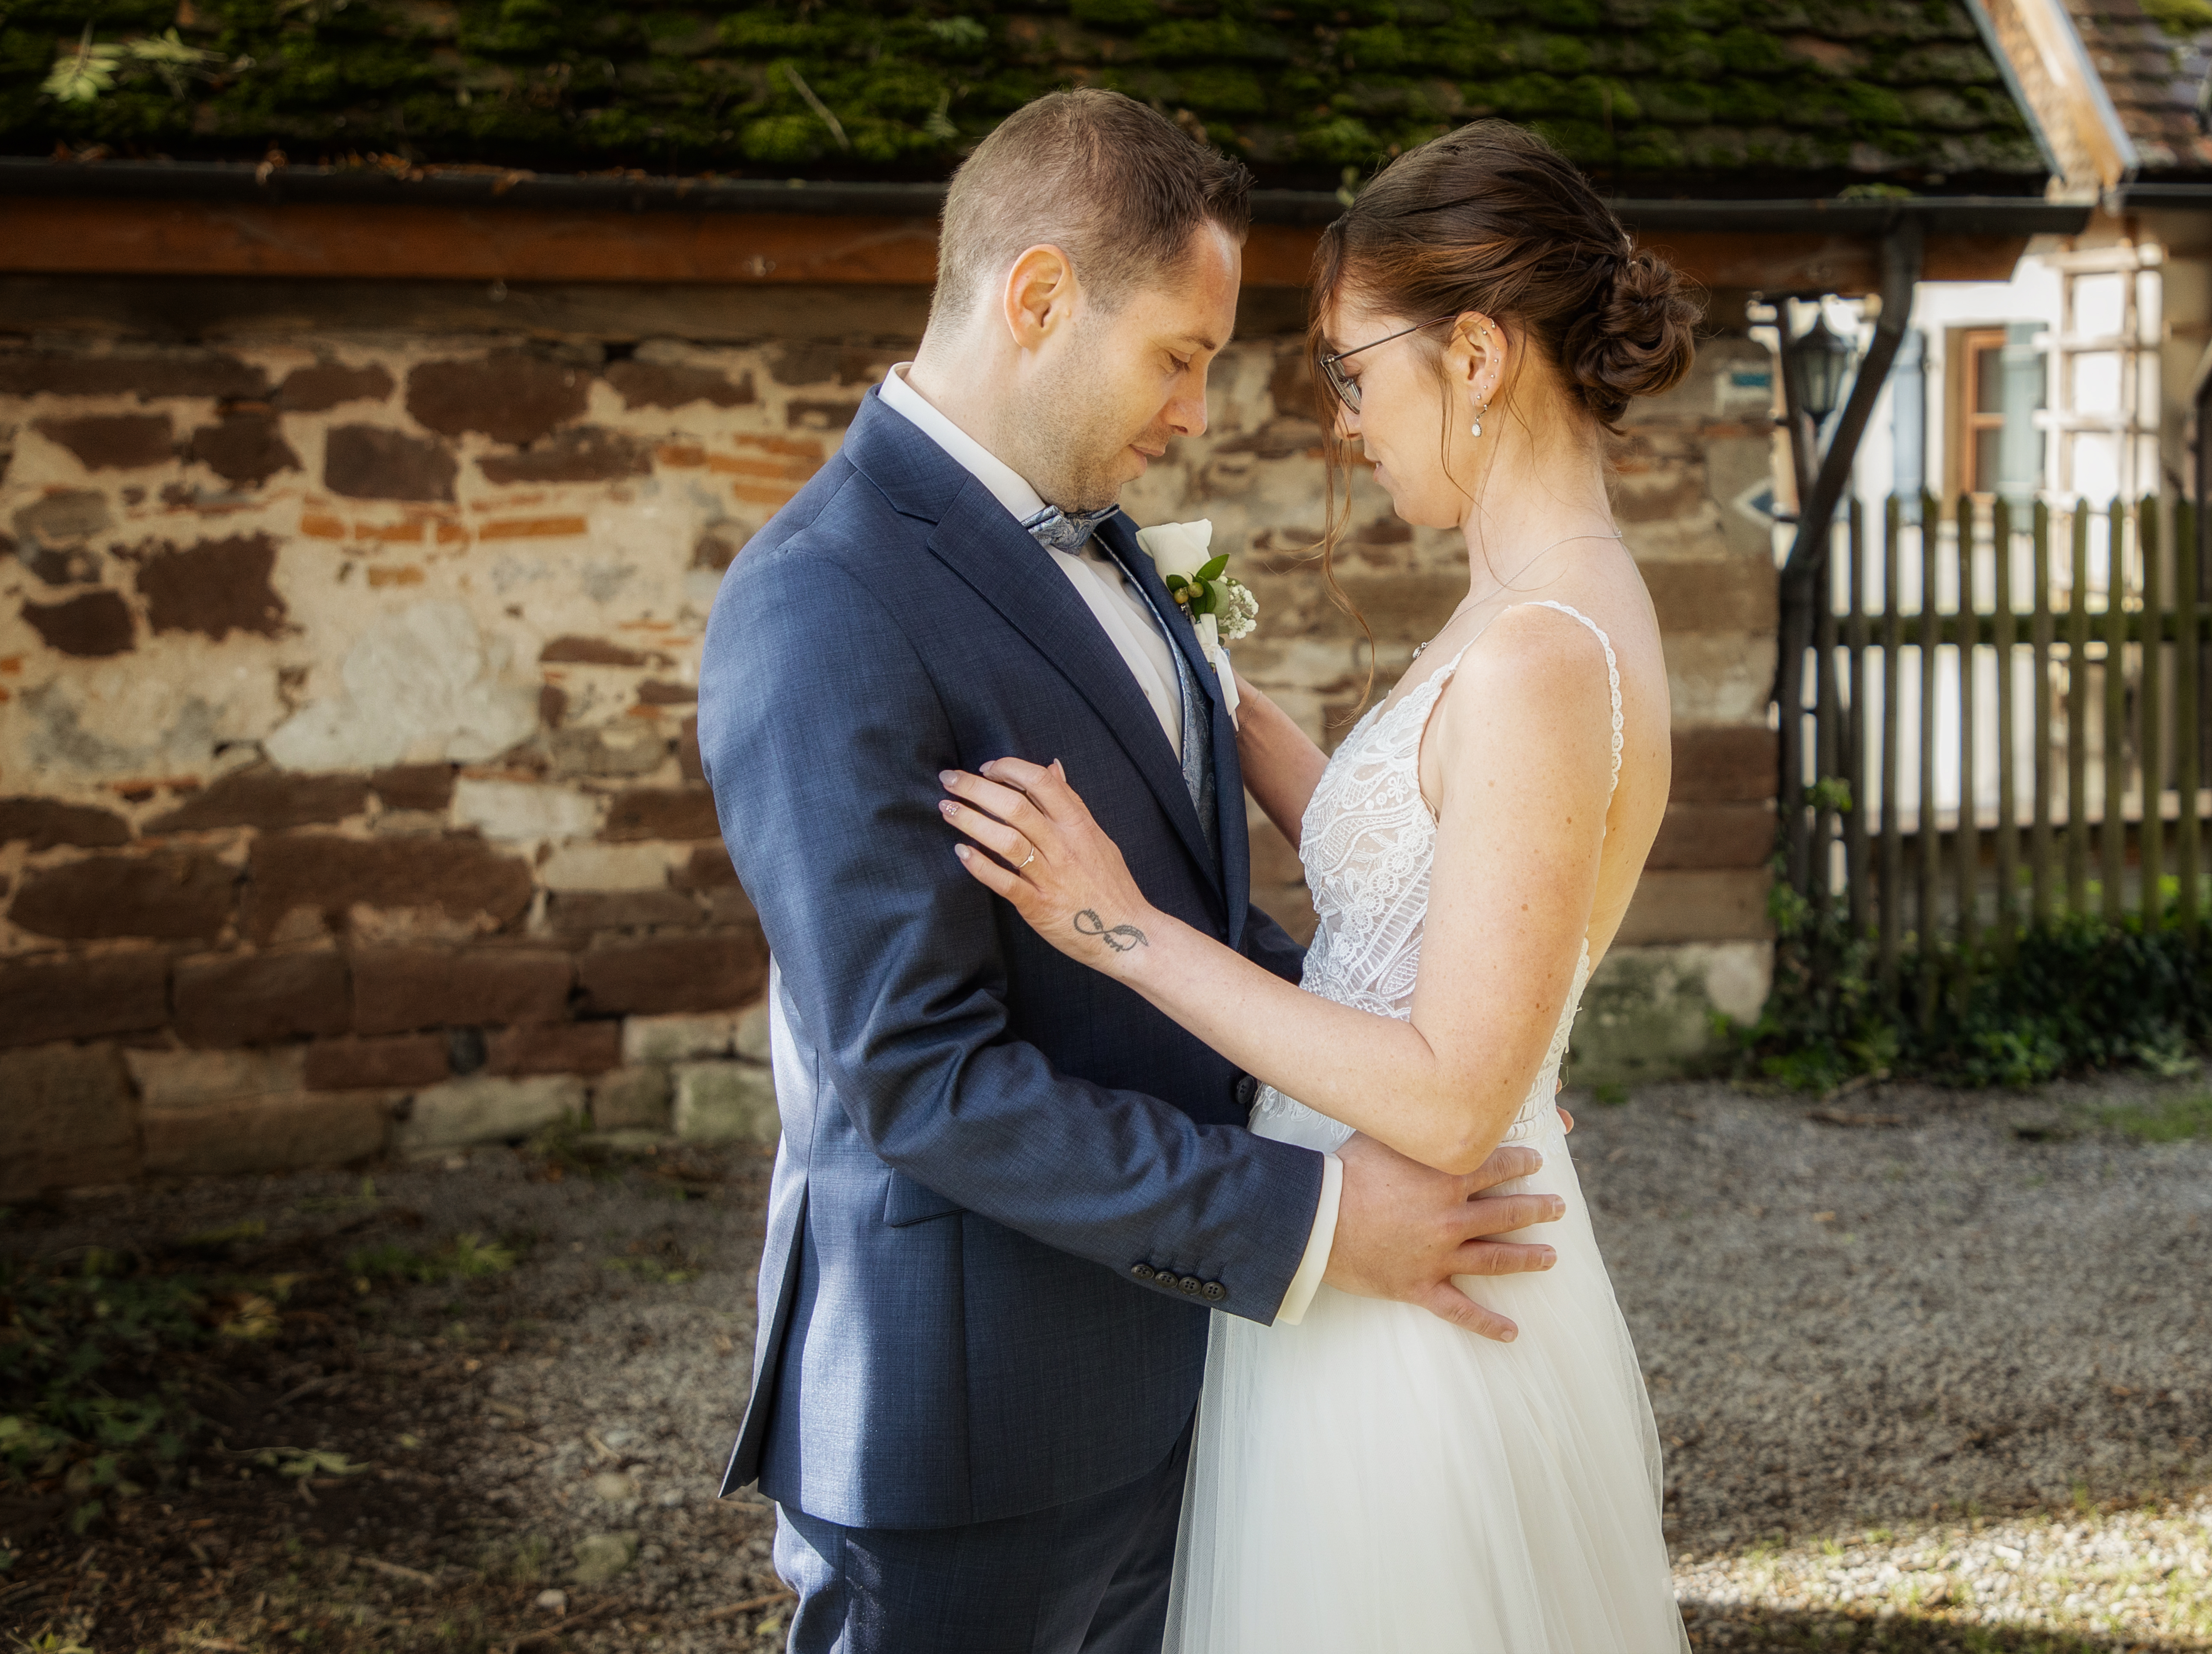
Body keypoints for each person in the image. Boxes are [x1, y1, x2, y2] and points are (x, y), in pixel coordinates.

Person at [699, 91, 1573, 1654]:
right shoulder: (820, 604)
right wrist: (1312, 1221)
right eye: (1181, 355)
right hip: (969, 1432)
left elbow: (1195, 910)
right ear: (1037, 298)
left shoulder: (1115, 550)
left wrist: (1423, 1046)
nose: (1195, 416)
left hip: (1183, 1401)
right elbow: (922, 1078)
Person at [940, 119, 1700, 1651]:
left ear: (1475, 355)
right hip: (1359, 1268)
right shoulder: (1531, 599)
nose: (1347, 421)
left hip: (1412, 1302)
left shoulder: (1546, 649)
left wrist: (1121, 926)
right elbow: (1420, 861)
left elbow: (1444, 1093)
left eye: (1356, 370)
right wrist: (1218, 710)